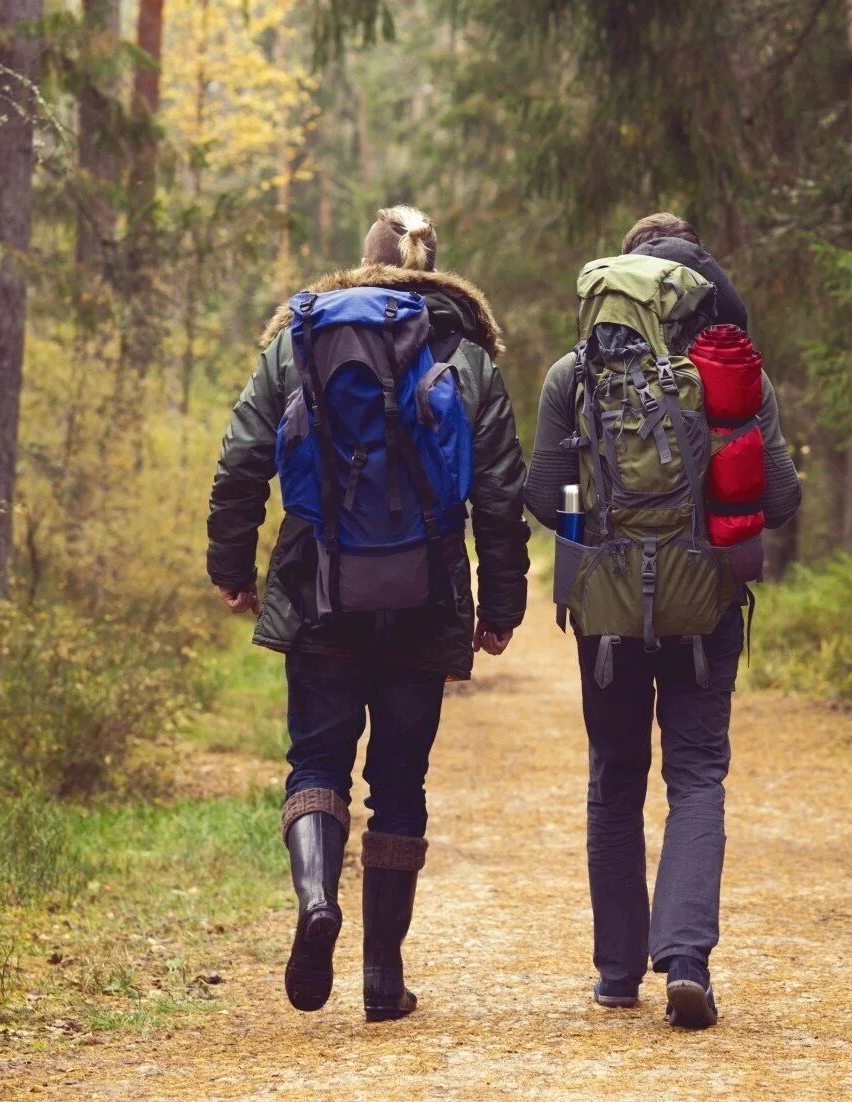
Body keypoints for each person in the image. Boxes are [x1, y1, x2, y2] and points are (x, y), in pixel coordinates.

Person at [206, 205, 530, 1022]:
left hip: (320, 583)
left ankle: (317, 903)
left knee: (316, 762)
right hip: (424, 591)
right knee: (399, 783)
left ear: (364, 263)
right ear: (434, 269)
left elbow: (243, 458)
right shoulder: (466, 355)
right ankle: (383, 980)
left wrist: (233, 567)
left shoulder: (301, 339)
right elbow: (498, 494)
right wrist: (500, 602)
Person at [524, 212, 801, 1028]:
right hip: (706, 609)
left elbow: (542, 497)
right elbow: (780, 499)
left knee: (614, 779)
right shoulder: (734, 376)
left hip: (606, 613)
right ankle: (686, 960)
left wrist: (597, 525)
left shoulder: (574, 375)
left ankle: (617, 974)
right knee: (697, 774)